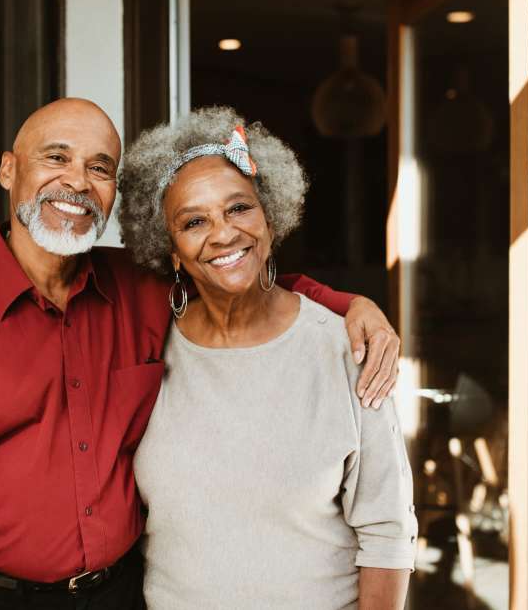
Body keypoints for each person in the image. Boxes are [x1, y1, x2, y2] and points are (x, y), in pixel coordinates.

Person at [0, 98, 401, 610]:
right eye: (55, 157)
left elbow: (236, 276)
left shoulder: (141, 289)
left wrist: (351, 305)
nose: (77, 182)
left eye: (100, 168)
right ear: (9, 169)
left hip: (122, 597)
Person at [119, 107, 415, 610]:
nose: (223, 233)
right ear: (172, 251)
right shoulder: (147, 347)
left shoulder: (345, 347)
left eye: (239, 208)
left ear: (270, 218)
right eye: (194, 221)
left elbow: (387, 530)